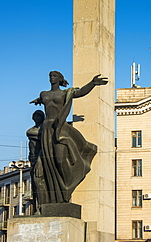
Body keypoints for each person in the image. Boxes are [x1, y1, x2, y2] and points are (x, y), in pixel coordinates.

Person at [30, 71, 108, 204]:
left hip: (60, 126)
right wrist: (38, 101)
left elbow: (80, 92)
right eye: (50, 76)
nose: (51, 78)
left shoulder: (65, 93)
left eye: (54, 76)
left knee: (60, 160)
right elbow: (42, 100)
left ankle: (66, 187)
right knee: (50, 160)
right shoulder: (44, 94)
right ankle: (55, 193)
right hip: (47, 128)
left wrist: (92, 83)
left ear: (60, 79)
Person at [26, 110, 45, 213]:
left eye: (39, 115)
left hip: (40, 159)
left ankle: (41, 207)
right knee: (34, 185)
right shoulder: (32, 130)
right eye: (35, 115)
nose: (37, 117)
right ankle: (36, 207)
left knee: (39, 183)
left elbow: (44, 145)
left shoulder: (44, 129)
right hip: (32, 159)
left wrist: (39, 159)